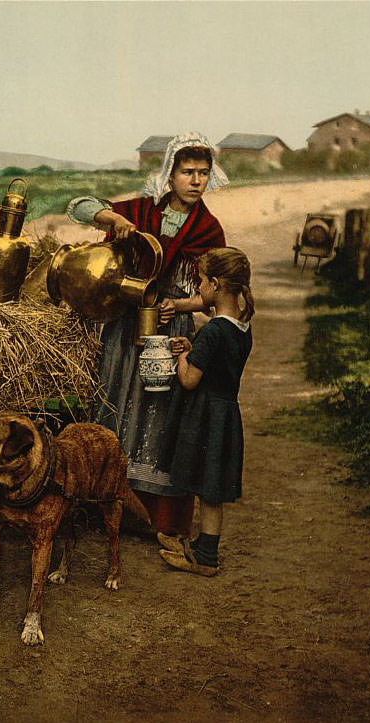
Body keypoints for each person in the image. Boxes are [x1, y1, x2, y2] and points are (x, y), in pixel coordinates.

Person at [65, 132, 229, 539]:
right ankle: (101, 505)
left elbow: (219, 292)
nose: (196, 181)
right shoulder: (138, 210)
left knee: (160, 413)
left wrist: (184, 306)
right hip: (123, 325)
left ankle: (156, 518)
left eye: (203, 174)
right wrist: (113, 220)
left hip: (170, 330)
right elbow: (78, 206)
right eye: (187, 172)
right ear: (169, 174)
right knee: (113, 399)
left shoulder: (208, 229)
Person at [157, 247, 254, 576]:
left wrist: (182, 356)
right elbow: (217, 364)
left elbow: (188, 379)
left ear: (215, 284)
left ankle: (206, 559)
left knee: (207, 490)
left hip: (206, 416)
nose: (197, 289)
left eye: (200, 281)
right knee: (211, 489)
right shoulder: (241, 328)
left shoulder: (213, 331)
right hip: (226, 415)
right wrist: (193, 348)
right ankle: (204, 548)